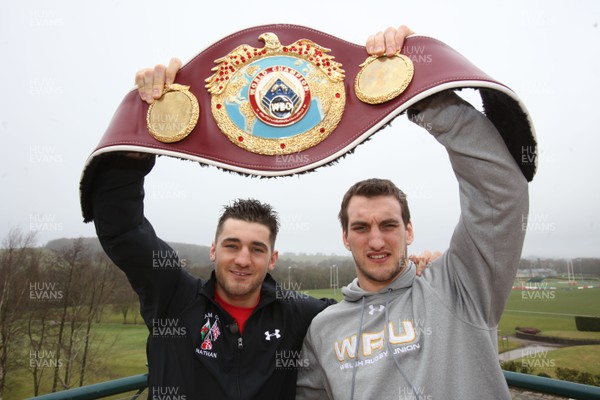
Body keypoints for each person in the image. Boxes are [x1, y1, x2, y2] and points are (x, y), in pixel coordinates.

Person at [295, 27, 530, 400]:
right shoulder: (323, 329)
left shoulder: (460, 286)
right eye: (360, 227)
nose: (376, 239)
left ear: (409, 230)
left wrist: (420, 90)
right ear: (345, 237)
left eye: (388, 225)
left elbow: (500, 196)